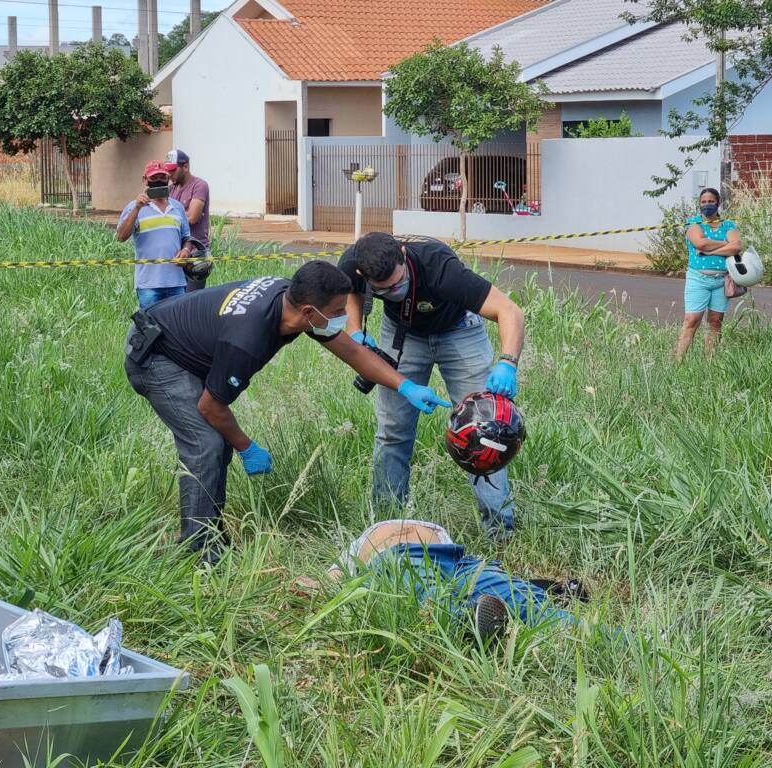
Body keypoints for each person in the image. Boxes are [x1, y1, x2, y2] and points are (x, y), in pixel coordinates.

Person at [123, 261, 452, 565]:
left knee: (216, 443)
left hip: (180, 339)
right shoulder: (247, 339)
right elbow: (211, 406)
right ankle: (196, 555)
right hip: (156, 355)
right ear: (309, 311)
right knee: (207, 443)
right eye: (338, 311)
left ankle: (210, 532)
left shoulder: (294, 302)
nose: (342, 318)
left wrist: (404, 385)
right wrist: (247, 446)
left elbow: (351, 351)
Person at [338, 232, 525, 540]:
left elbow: (510, 311)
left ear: (402, 254)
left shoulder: (440, 268)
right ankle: (387, 529)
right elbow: (351, 290)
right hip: (403, 331)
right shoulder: (353, 262)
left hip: (458, 329)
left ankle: (500, 530)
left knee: (486, 431)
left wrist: (507, 362)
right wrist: (355, 329)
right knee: (393, 431)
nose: (395, 291)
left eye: (399, 283)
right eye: (385, 290)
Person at [320, 519, 587, 638]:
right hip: (398, 559)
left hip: (459, 563)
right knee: (422, 589)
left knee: (526, 601)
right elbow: (327, 583)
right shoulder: (356, 553)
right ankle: (470, 619)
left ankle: (616, 639)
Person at [675, 188, 743, 360]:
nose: (707, 205)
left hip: (722, 281)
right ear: (699, 204)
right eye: (703, 202)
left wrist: (709, 251)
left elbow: (736, 246)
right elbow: (700, 243)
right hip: (698, 279)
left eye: (711, 201)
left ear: (718, 202)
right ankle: (676, 362)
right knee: (692, 320)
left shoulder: (728, 225)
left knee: (715, 321)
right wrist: (723, 244)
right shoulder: (694, 223)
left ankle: (709, 363)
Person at [116, 161, 192, 309]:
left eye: (162, 177)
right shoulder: (133, 207)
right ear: (145, 180)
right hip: (148, 285)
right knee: (152, 330)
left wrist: (186, 250)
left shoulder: (177, 207)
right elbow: (121, 237)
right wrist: (137, 208)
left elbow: (187, 237)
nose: (158, 180)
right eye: (153, 177)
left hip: (176, 282)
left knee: (178, 328)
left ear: (168, 179)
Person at [165, 149, 212, 292]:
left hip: (195, 255)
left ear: (185, 167)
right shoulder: (171, 189)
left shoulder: (199, 185)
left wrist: (168, 217)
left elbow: (192, 217)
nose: (169, 175)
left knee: (191, 301)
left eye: (172, 170)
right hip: (177, 255)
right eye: (167, 171)